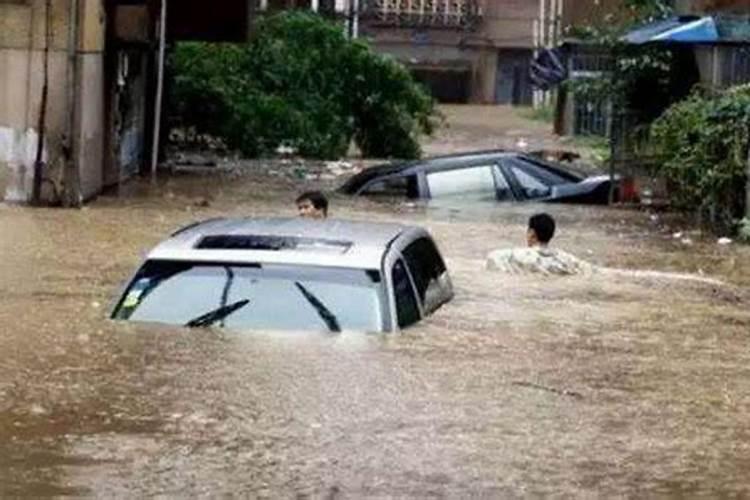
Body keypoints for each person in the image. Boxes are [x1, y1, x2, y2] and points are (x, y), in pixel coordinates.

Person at [486, 212, 592, 276]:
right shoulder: (567, 258)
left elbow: (491, 258)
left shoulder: (516, 255)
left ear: (531, 233)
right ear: (551, 234)